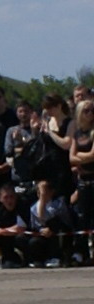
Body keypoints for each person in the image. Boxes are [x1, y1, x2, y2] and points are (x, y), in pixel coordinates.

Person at [69, 99, 94, 264]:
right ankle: (81, 252)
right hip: (83, 181)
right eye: (86, 110)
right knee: (82, 217)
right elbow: (71, 158)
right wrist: (81, 158)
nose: (90, 113)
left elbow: (93, 155)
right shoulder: (77, 134)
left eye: (92, 110)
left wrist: (79, 157)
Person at [0, 184, 28, 268]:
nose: (9, 200)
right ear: (0, 199)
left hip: (22, 238)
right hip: (7, 240)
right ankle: (6, 259)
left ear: (16, 197)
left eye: (11, 197)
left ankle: (25, 260)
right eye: (6, 197)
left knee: (20, 238)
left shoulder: (22, 206)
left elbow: (20, 228)